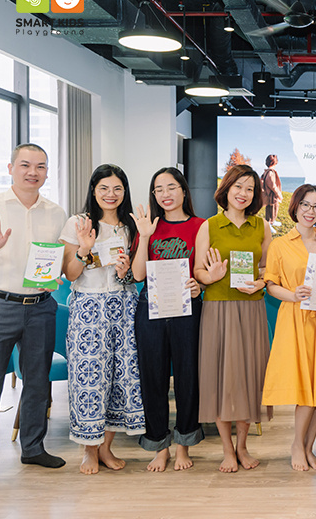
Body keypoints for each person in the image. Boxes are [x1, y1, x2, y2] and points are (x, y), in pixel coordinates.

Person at [0, 144, 67, 493]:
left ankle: (33, 448)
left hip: (41, 306)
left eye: (40, 166)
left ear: (47, 172)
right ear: (10, 168)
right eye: (25, 165)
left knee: (37, 381)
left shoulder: (56, 213)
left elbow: (58, 261)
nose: (33, 172)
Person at [59, 164, 142, 474]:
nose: (111, 194)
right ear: (93, 190)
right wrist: (84, 248)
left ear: (125, 192)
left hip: (124, 307)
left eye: (117, 188)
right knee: (89, 379)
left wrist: (126, 272)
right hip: (89, 309)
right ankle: (88, 451)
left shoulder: (130, 227)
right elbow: (70, 274)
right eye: (104, 188)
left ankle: (106, 448)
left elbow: (133, 276)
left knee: (120, 378)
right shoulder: (78, 223)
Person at [194, 164, 272, 473]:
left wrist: (261, 282)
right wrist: (211, 276)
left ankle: (242, 446)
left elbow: (267, 269)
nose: (244, 193)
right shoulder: (209, 226)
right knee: (220, 380)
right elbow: (198, 272)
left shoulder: (262, 226)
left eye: (250, 188)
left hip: (251, 310)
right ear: (226, 189)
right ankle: (227, 448)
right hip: (218, 309)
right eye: (238, 186)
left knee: (248, 379)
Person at [130, 168, 205, 472]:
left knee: (188, 377)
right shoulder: (148, 226)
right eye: (158, 189)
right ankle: (159, 446)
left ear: (183, 190)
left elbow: (200, 270)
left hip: (187, 308)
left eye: (171, 187)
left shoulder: (200, 225)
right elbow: (138, 275)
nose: (165, 194)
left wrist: (199, 285)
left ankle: (184, 444)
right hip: (151, 307)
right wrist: (145, 237)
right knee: (153, 378)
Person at [262, 184, 316, 472]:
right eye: (306, 204)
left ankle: (309, 448)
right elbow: (271, 285)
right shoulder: (280, 244)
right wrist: (293, 295)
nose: (311, 211)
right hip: (295, 319)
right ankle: (297, 445)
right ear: (295, 206)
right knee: (304, 390)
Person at [261, 154, 283, 227]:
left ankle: (272, 221)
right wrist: (279, 194)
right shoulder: (270, 172)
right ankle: (269, 223)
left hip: (269, 194)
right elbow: (272, 185)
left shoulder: (266, 172)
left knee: (273, 208)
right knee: (272, 209)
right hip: (272, 195)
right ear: (274, 162)